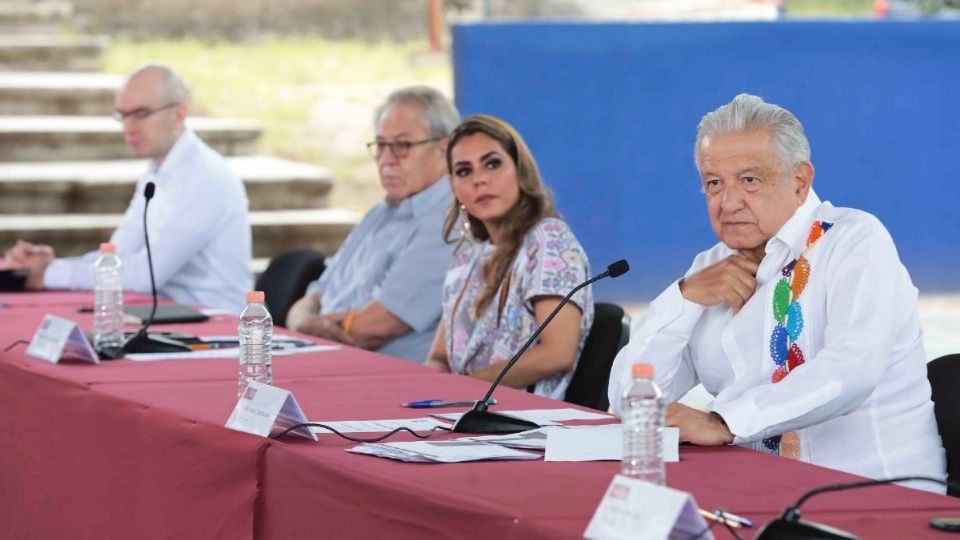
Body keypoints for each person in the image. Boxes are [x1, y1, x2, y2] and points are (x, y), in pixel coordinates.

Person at [608, 94, 945, 489]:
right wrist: (682, 297)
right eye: (713, 183)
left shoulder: (854, 241)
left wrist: (725, 421)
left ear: (799, 181)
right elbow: (630, 399)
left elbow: (852, 368)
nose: (728, 202)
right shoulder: (710, 267)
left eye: (749, 180)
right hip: (756, 492)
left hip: (876, 493)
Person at [3, 63, 252, 312]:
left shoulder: (203, 177)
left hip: (218, 325)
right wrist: (46, 266)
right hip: (165, 315)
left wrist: (45, 274)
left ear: (179, 113)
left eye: (141, 114)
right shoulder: (159, 169)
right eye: (123, 115)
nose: (129, 127)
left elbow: (146, 276)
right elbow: (118, 254)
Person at [424, 115, 594, 399]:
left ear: (519, 169)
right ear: (453, 186)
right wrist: (428, 388)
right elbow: (440, 357)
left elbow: (556, 353)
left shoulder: (549, 240)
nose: (480, 179)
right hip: (460, 412)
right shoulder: (466, 260)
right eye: (464, 171)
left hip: (524, 423)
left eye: (492, 164)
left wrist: (464, 386)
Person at [286, 86, 459, 362]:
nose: (386, 160)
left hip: (389, 381)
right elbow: (313, 297)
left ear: (444, 149)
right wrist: (302, 322)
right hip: (325, 357)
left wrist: (304, 325)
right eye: (380, 145)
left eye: (402, 146)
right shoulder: (379, 214)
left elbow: (374, 329)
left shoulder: (450, 222)